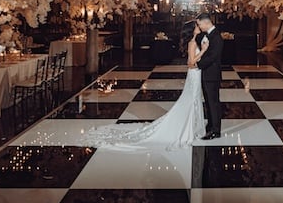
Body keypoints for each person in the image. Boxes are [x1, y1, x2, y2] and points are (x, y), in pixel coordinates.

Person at [83, 20, 207, 150]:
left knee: (193, 99)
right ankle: (189, 127)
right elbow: (190, 63)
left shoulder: (195, 41)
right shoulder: (192, 43)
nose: (199, 27)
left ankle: (193, 126)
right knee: (192, 99)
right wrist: (203, 51)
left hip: (196, 74)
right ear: (192, 29)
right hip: (194, 74)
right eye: (196, 26)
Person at [191, 12, 224, 140]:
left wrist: (197, 64)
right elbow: (198, 40)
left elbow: (212, 57)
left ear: (206, 22)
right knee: (209, 103)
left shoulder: (216, 36)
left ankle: (216, 131)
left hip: (212, 75)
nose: (199, 27)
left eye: (199, 24)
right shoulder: (208, 35)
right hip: (207, 74)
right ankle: (211, 126)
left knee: (213, 102)